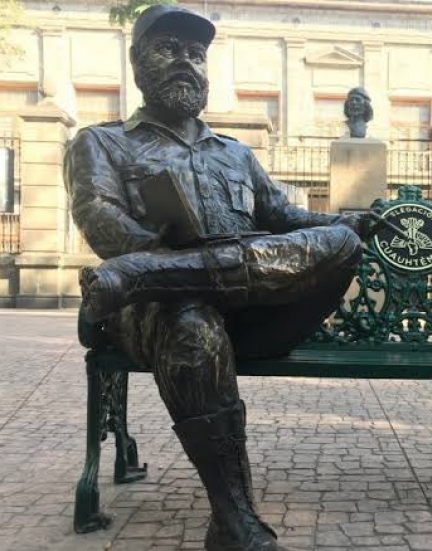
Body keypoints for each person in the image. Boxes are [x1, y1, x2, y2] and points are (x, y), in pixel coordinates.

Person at [64, 6, 378, 550]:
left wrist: (350, 221)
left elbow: (286, 218)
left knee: (343, 244)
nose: (185, 61)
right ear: (137, 64)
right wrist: (151, 249)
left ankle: (151, 275)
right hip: (161, 316)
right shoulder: (102, 143)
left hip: (248, 312)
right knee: (192, 325)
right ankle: (233, 519)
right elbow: (101, 223)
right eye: (167, 48)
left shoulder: (235, 152)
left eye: (196, 53)